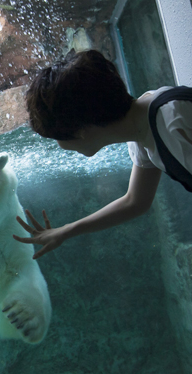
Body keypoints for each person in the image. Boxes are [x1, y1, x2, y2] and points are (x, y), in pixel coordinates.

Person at [13, 49, 192, 260]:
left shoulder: (172, 120)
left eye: (57, 137)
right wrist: (66, 231)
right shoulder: (143, 131)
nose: (61, 146)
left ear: (80, 130)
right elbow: (134, 201)